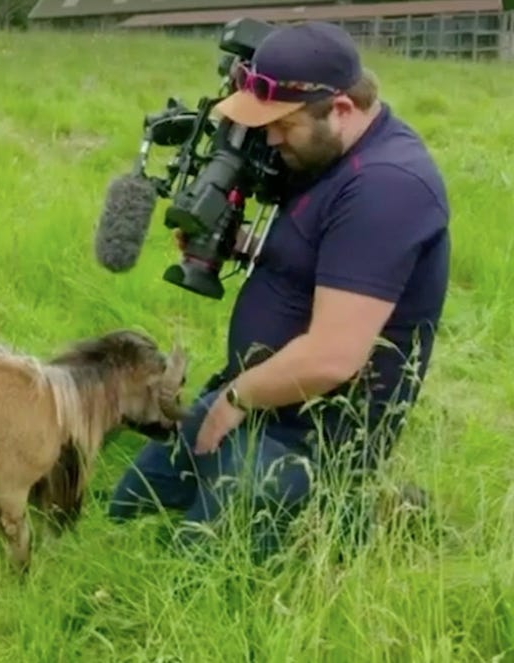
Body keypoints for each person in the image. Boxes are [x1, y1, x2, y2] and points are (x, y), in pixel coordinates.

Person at [106, 21, 450, 558]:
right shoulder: (323, 154)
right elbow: (319, 254)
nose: (269, 138)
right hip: (254, 391)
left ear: (339, 109)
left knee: (197, 573)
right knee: (123, 514)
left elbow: (332, 356)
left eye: (281, 125)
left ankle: (362, 513)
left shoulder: (388, 188)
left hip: (311, 435)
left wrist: (235, 400)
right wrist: (233, 240)